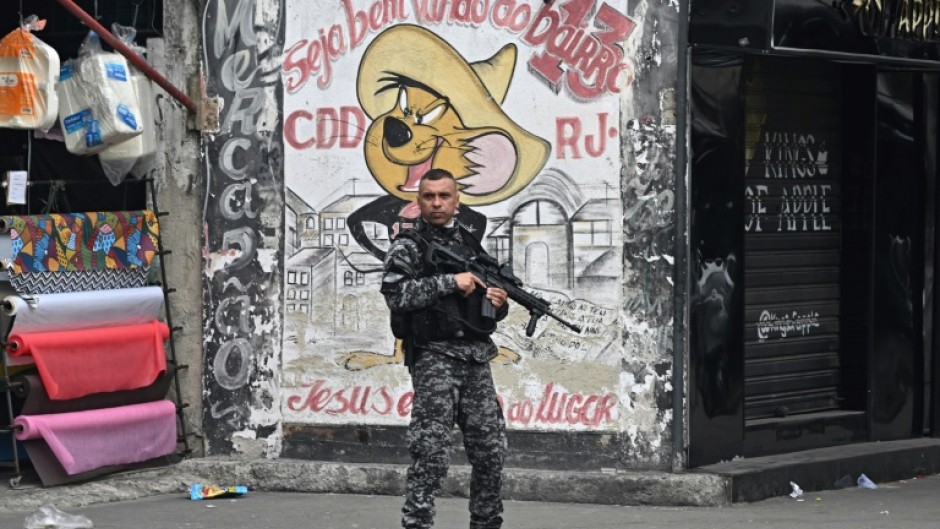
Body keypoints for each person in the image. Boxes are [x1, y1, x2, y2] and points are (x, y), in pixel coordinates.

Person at [381, 168, 509, 529]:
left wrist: (497, 301)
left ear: (457, 200)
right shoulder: (407, 246)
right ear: (418, 201)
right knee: (431, 454)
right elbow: (396, 295)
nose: (437, 203)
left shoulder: (470, 245)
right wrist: (449, 282)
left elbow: (486, 312)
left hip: (476, 359)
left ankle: (486, 524)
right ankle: (417, 524)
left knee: (491, 452)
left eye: (444, 196)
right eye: (429, 196)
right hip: (434, 356)